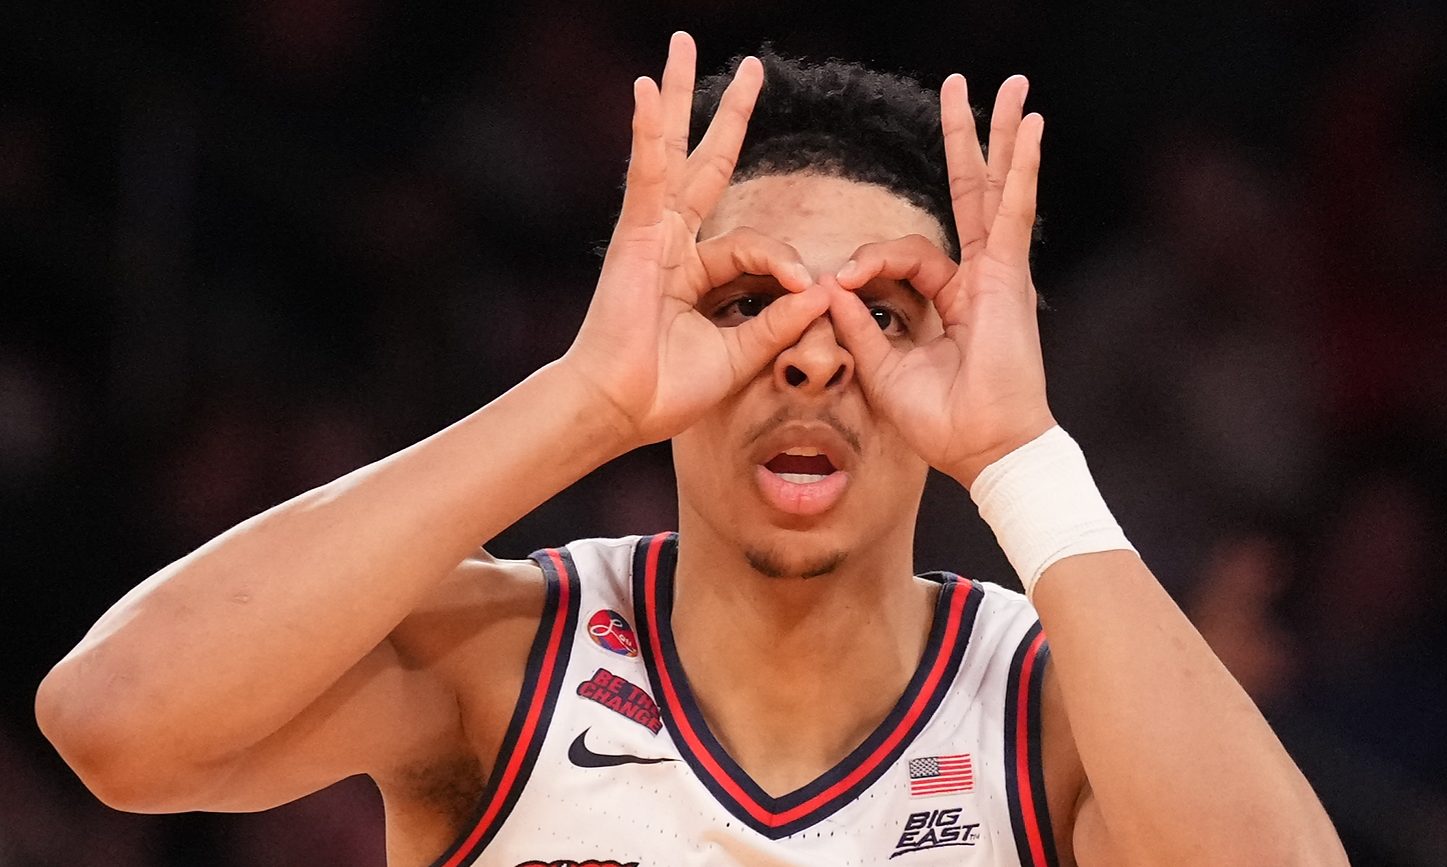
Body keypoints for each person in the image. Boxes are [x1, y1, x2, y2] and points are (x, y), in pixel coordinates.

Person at [36, 32, 1347, 866]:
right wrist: (583, 399)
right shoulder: (502, 661)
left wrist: (1022, 455)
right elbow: (114, 725)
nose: (812, 358)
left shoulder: (1050, 715)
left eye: (886, 317)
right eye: (746, 303)